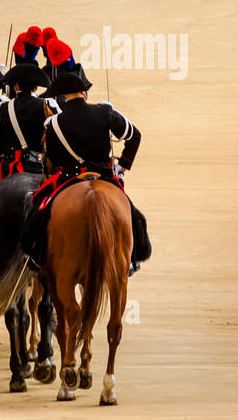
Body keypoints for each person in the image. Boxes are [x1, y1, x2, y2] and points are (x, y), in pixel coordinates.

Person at [19, 63, 151, 273]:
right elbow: (135, 135)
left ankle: (37, 256)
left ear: (63, 95)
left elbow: (53, 158)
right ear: (84, 93)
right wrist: (122, 166)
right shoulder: (104, 111)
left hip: (68, 177)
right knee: (133, 215)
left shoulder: (53, 124)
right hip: (104, 176)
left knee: (39, 208)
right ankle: (132, 259)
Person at [0, 58, 55, 178]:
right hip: (38, 168)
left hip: (8, 169)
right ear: (36, 88)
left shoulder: (3, 107)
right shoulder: (47, 105)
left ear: (16, 86)